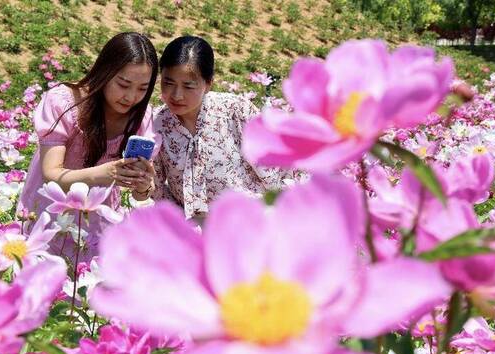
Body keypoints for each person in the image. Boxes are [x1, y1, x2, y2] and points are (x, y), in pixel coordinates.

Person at [19, 32, 159, 260]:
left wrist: (142, 186)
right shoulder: (65, 102)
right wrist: (104, 174)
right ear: (104, 72)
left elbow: (142, 194)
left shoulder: (142, 119)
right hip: (49, 213)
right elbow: (50, 175)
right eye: (123, 84)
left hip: (97, 221)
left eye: (142, 89)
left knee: (85, 288)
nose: (131, 97)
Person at [152, 36, 294, 222]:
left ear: (208, 84)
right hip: (195, 228)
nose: (177, 95)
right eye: (168, 83)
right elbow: (156, 186)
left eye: (188, 86)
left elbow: (280, 166)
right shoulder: (157, 124)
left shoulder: (235, 110)